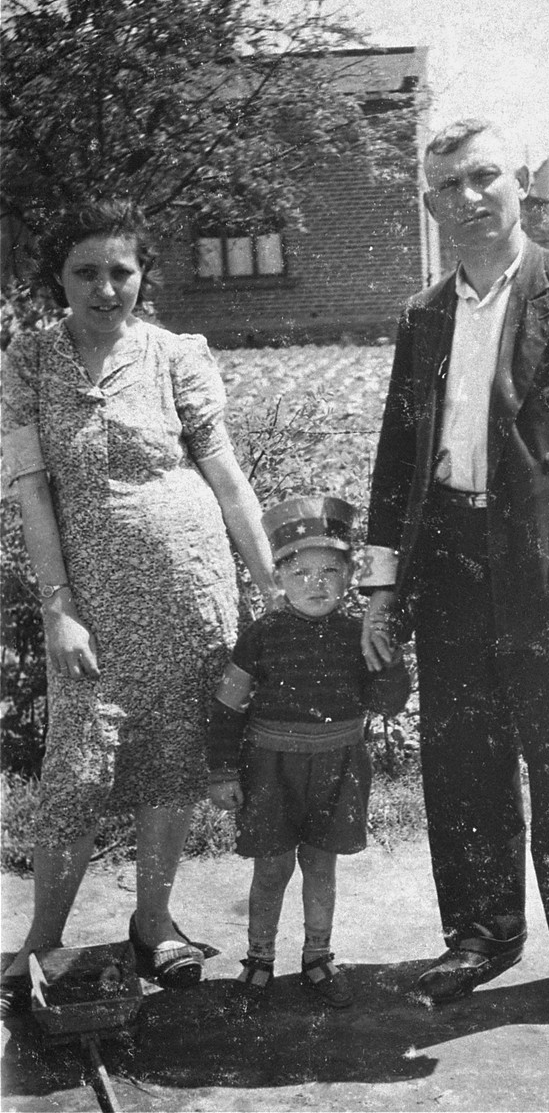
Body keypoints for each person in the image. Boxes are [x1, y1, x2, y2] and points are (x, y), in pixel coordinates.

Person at [360, 119, 549, 1051]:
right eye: (448, 185)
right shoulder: (423, 315)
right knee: (463, 766)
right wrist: (382, 588)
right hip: (448, 562)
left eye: (484, 176)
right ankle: (484, 938)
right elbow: (396, 457)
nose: (468, 196)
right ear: (430, 203)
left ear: (520, 182)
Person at [1, 199, 279, 1016]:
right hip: (94, 608)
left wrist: (269, 591)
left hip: (192, 589)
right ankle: (41, 942)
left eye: (121, 271)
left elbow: (225, 478)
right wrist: (59, 607)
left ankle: (154, 923)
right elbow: (31, 494)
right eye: (86, 272)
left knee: (176, 761)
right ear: (58, 278)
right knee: (78, 774)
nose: (105, 288)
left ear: (143, 275)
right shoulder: (30, 362)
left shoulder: (175, 355)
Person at [208, 495, 409, 1008]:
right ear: (278, 578)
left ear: (349, 577)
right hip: (271, 769)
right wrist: (222, 771)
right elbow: (227, 709)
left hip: (339, 766)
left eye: (330, 571)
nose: (315, 584)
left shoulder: (358, 634)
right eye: (300, 573)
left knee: (321, 866)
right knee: (271, 869)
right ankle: (258, 959)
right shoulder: (261, 636)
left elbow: (387, 703)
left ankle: (318, 956)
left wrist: (390, 658)